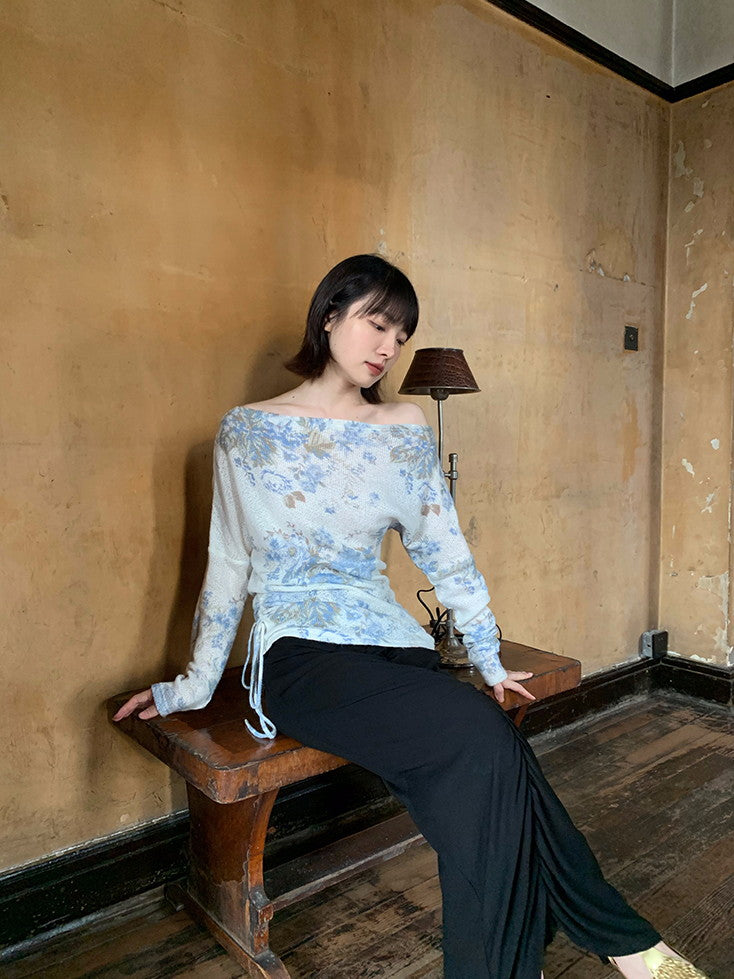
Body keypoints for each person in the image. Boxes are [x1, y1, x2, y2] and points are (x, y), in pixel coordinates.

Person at [114, 255, 707, 979]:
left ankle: (605, 944)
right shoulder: (248, 431)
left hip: (393, 645)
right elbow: (228, 564)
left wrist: (487, 656)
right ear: (329, 314)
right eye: (377, 323)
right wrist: (193, 686)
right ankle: (626, 941)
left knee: (483, 769)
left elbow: (443, 548)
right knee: (485, 744)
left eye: (401, 334)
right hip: (299, 652)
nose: (388, 347)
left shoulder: (402, 425)